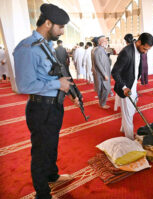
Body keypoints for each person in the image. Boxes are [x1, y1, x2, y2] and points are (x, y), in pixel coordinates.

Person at [13, 4, 79, 199]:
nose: (62, 32)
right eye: (60, 27)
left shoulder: (46, 46)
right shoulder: (27, 48)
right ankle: (42, 193)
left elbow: (51, 75)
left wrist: (67, 90)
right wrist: (57, 85)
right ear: (48, 23)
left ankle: (52, 176)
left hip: (53, 107)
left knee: (51, 145)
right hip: (40, 109)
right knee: (41, 152)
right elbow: (24, 85)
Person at [112, 33, 153, 139]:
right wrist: (124, 87)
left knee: (131, 111)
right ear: (139, 42)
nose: (145, 52)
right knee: (128, 114)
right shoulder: (126, 52)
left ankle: (123, 128)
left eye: (147, 50)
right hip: (125, 87)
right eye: (144, 49)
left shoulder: (140, 51)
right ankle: (130, 138)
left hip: (133, 85)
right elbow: (115, 72)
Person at [94, 36, 111, 109]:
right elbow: (98, 63)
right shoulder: (98, 50)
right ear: (100, 42)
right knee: (105, 89)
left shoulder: (102, 50)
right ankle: (102, 104)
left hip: (105, 73)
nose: (106, 42)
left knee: (104, 89)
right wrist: (104, 74)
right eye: (104, 41)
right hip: (102, 74)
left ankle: (102, 103)